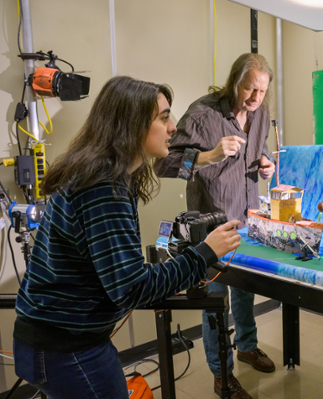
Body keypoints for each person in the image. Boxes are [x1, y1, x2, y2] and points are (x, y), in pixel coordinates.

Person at [12, 76, 241, 399]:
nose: (173, 127)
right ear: (131, 124)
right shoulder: (103, 187)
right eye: (163, 118)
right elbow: (131, 287)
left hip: (57, 340)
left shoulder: (104, 175)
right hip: (66, 347)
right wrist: (203, 254)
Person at [154, 53, 276, 399]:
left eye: (262, 92)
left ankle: (247, 346)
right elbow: (164, 163)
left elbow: (258, 150)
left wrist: (264, 163)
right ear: (233, 81)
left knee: (245, 292)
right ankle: (221, 373)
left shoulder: (261, 114)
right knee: (216, 302)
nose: (254, 99)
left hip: (249, 222)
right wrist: (209, 156)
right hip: (212, 228)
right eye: (249, 90)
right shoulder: (203, 113)